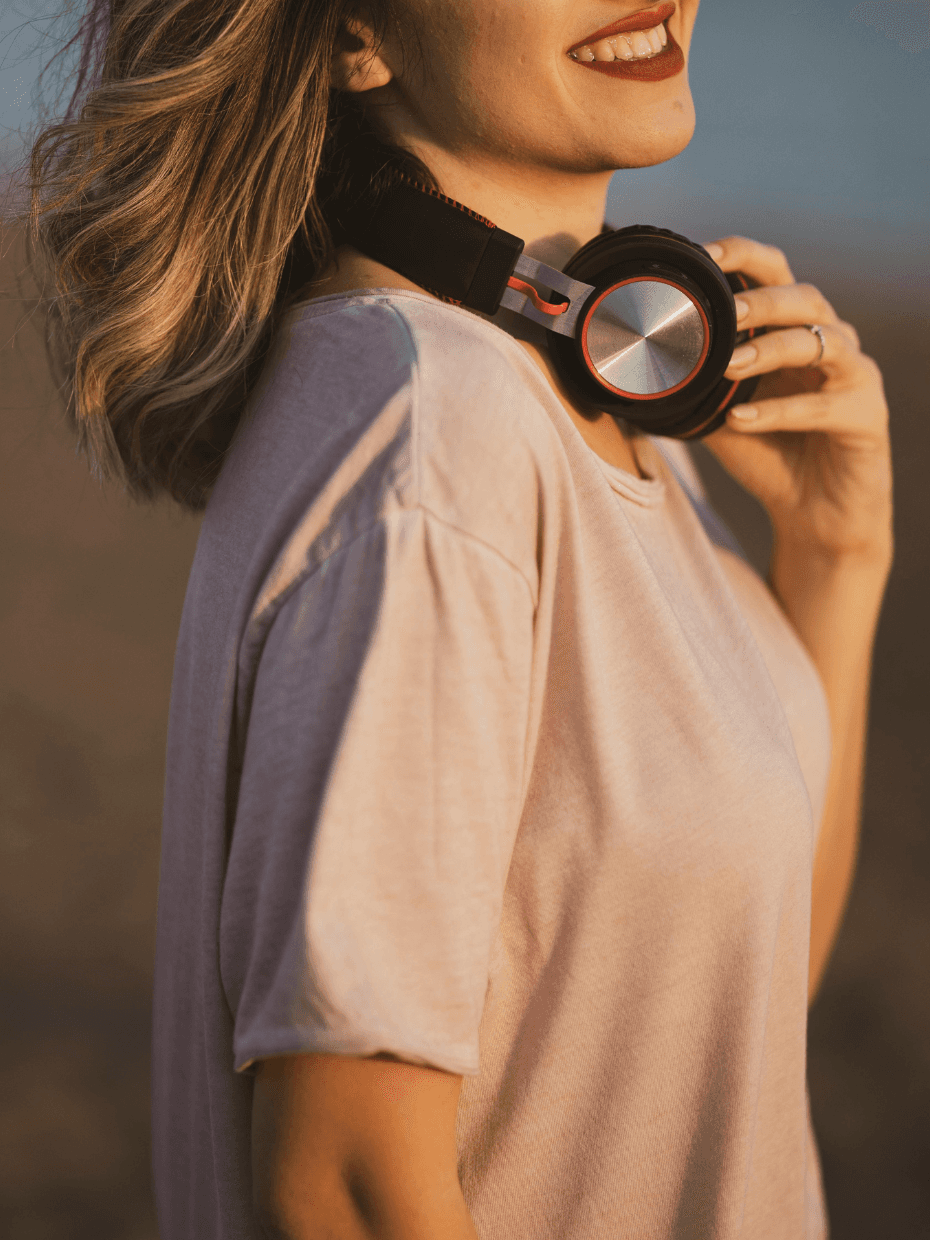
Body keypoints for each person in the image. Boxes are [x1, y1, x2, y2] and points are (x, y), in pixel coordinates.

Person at [24, 0, 893, 1236]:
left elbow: (721, 1008)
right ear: (353, 34)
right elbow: (345, 1189)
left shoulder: (570, 384)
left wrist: (836, 556)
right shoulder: (437, 434)